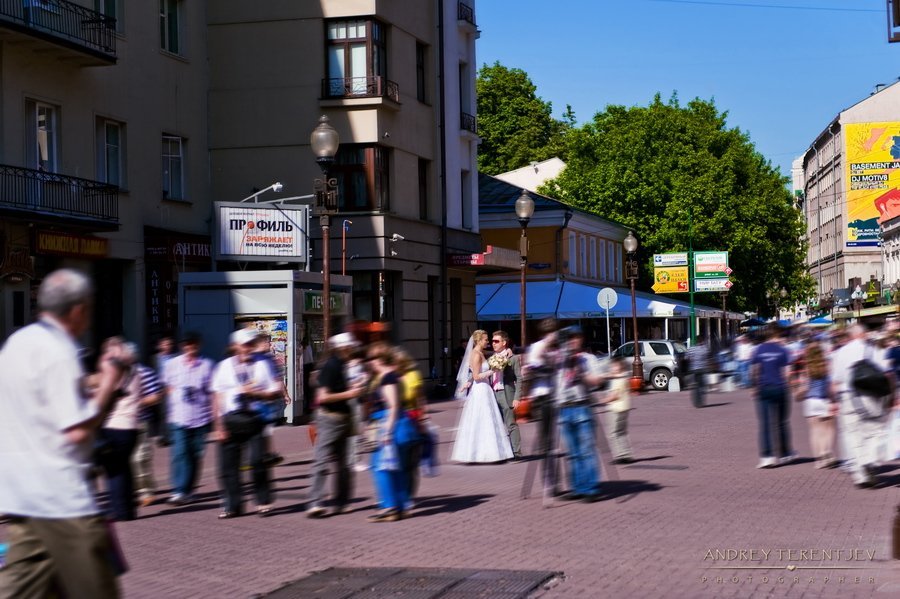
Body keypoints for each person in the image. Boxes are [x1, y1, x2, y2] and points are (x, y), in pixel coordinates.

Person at [0, 268, 127, 598]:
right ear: (79, 309)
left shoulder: (16, 343)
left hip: (23, 498)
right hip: (64, 502)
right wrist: (111, 380)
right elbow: (78, 432)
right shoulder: (61, 351)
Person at [211, 328, 282, 518]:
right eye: (245, 344)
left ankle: (263, 502)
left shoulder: (262, 364)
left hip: (255, 419)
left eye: (251, 344)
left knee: (258, 462)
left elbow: (275, 391)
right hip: (231, 420)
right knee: (227, 467)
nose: (248, 348)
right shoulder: (224, 366)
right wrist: (218, 426)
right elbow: (217, 396)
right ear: (235, 346)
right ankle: (233, 505)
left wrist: (257, 393)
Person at [95, 341, 160, 521]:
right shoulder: (135, 371)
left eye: (110, 353)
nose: (106, 357)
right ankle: (128, 510)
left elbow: (103, 397)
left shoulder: (117, 372)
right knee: (124, 469)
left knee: (114, 472)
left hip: (116, 426)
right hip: (132, 427)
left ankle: (119, 511)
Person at [306, 332, 367, 518]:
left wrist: (356, 385)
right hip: (330, 419)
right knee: (322, 460)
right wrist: (351, 393)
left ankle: (342, 501)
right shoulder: (332, 365)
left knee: (344, 464)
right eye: (351, 346)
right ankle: (315, 503)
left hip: (344, 417)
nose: (353, 349)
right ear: (344, 348)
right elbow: (323, 396)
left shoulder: (343, 364)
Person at [830, 324, 896, 488]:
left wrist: (833, 401)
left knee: (853, 434)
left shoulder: (840, 352)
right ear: (864, 335)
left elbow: (835, 382)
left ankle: (860, 473)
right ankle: (871, 461)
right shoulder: (874, 350)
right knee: (875, 431)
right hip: (873, 396)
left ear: (850, 336)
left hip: (849, 397)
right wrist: (892, 397)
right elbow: (888, 374)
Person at [366, 342, 420, 522]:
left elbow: (393, 405)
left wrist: (386, 432)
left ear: (380, 359)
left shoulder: (388, 377)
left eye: (371, 358)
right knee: (398, 468)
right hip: (400, 426)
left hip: (392, 426)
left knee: (380, 467)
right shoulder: (391, 376)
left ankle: (389, 506)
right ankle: (401, 505)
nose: (369, 362)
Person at [161, 331, 215, 505]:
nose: (190, 348)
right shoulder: (172, 364)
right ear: (182, 346)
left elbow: (212, 392)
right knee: (180, 452)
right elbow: (167, 386)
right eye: (187, 345)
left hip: (201, 417)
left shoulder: (206, 365)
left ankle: (189, 489)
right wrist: (176, 398)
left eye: (193, 344)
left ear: (198, 345)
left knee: (195, 454)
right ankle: (178, 490)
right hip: (179, 416)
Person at [556, 327, 606, 502]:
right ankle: (577, 487)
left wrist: (581, 373)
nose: (572, 341)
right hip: (564, 408)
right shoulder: (559, 360)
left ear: (580, 339)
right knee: (572, 452)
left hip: (581, 407)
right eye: (568, 339)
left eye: (575, 338)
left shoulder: (587, 359)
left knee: (586, 450)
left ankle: (590, 489)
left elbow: (598, 380)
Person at [450, 330, 514, 463]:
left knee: (488, 420)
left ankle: (489, 453)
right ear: (478, 341)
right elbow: (476, 376)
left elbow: (492, 359)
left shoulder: (481, 353)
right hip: (481, 390)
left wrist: (507, 353)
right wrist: (493, 371)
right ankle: (481, 453)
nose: (488, 342)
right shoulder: (475, 355)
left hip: (485, 389)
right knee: (483, 419)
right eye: (485, 339)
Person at [750, 325, 796, 469]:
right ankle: (784, 453)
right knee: (782, 422)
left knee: (765, 424)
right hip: (780, 388)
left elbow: (754, 370)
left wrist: (754, 387)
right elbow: (787, 373)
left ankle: (767, 456)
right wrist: (790, 386)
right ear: (778, 334)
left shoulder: (758, 349)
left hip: (763, 388)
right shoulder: (783, 350)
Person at [796, 340, 837, 469]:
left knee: (815, 431)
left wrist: (798, 394)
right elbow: (831, 387)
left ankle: (818, 460)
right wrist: (833, 399)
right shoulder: (826, 367)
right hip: (823, 400)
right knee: (828, 429)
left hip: (810, 401)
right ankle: (826, 451)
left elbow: (804, 387)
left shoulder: (806, 369)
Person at [489, 330, 523, 459]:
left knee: (511, 425)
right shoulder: (491, 358)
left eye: (496, 341)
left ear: (504, 342)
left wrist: (517, 397)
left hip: (506, 394)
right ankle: (502, 453)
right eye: (492, 341)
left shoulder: (512, 358)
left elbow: (519, 378)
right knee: (496, 425)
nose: (493, 343)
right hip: (492, 394)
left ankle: (517, 453)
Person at [602, 356, 634, 465]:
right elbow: (612, 375)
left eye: (614, 365)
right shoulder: (624, 376)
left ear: (620, 366)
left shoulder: (618, 380)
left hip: (615, 409)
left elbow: (614, 395)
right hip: (624, 408)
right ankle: (626, 454)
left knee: (612, 433)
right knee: (622, 432)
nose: (612, 367)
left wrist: (604, 400)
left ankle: (619, 456)